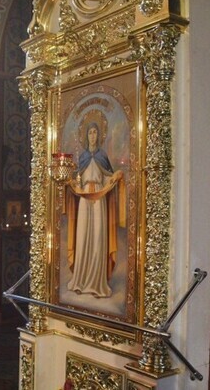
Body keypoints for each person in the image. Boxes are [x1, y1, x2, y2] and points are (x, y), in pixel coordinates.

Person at [65, 122, 123, 298]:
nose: (92, 135)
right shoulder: (82, 157)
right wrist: (72, 182)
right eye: (89, 132)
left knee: (97, 237)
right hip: (84, 199)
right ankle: (80, 280)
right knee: (82, 238)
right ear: (86, 136)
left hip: (99, 199)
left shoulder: (102, 156)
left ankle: (98, 283)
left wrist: (116, 176)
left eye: (95, 132)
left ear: (99, 136)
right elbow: (75, 179)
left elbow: (109, 177)